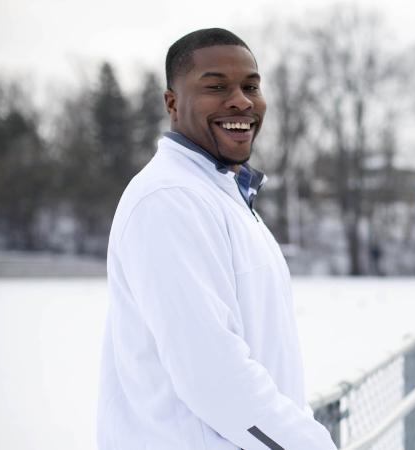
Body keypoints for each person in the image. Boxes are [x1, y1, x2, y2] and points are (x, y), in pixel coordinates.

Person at [97, 28, 337, 450]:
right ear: (172, 103)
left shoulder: (223, 193)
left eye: (251, 86)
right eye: (216, 87)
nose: (241, 101)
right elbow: (213, 376)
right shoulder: (170, 200)